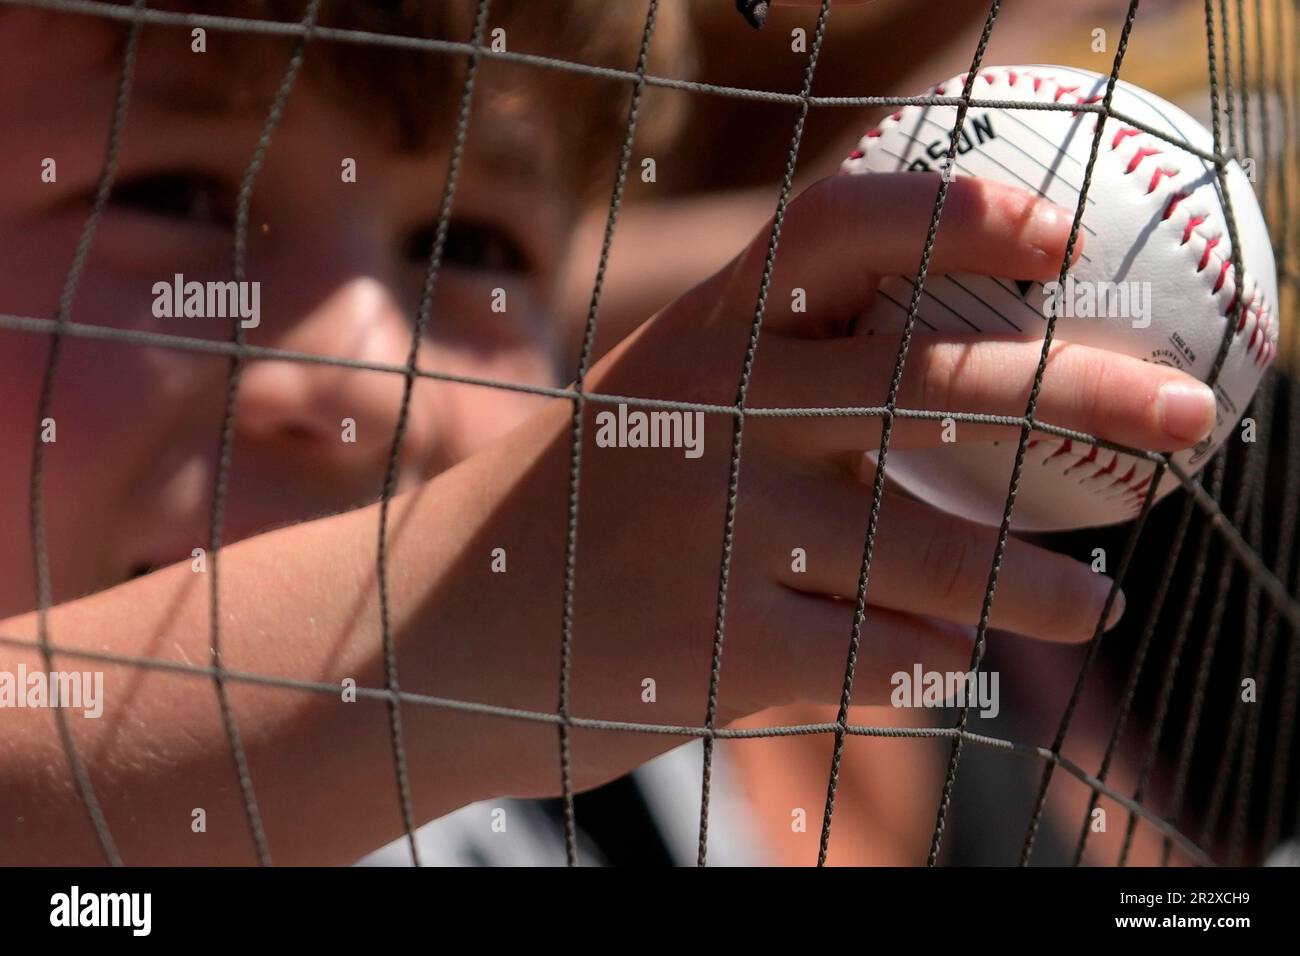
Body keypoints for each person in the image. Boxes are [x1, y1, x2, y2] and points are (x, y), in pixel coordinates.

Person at [0, 0, 1222, 866]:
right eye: (170, 198)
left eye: (470, 249)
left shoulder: (594, 782)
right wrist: (446, 619)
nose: (367, 378)